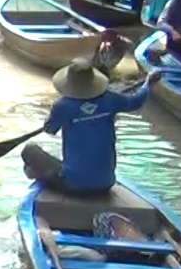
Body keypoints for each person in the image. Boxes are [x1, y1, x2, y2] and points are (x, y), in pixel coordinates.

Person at [21, 59, 160, 197]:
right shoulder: (110, 98)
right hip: (106, 184)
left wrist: (51, 121)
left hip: (74, 186)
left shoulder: (62, 105)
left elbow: (50, 129)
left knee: (29, 150)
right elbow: (136, 101)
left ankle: (37, 174)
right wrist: (147, 83)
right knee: (66, 164)